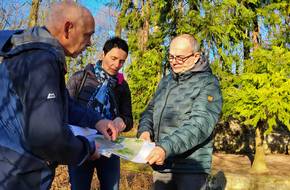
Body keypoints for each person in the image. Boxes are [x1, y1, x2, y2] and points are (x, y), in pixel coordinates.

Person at [0, 2, 117, 190]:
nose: (90, 43)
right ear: (68, 28)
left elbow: (63, 104)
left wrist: (96, 121)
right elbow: (47, 135)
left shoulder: (33, 54)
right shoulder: (40, 61)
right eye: (88, 35)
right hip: (18, 174)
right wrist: (87, 149)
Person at [137, 34, 222, 190]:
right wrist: (144, 131)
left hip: (191, 169)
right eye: (170, 57)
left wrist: (166, 147)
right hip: (161, 165)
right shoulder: (166, 81)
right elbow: (150, 110)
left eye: (180, 58)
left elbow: (200, 124)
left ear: (196, 56)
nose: (174, 62)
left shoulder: (209, 83)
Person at [66, 36, 133, 190]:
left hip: (110, 147)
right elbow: (65, 109)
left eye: (122, 61)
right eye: (113, 58)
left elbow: (129, 119)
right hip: (81, 145)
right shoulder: (79, 78)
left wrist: (121, 122)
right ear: (103, 54)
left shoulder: (122, 86)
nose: (117, 65)